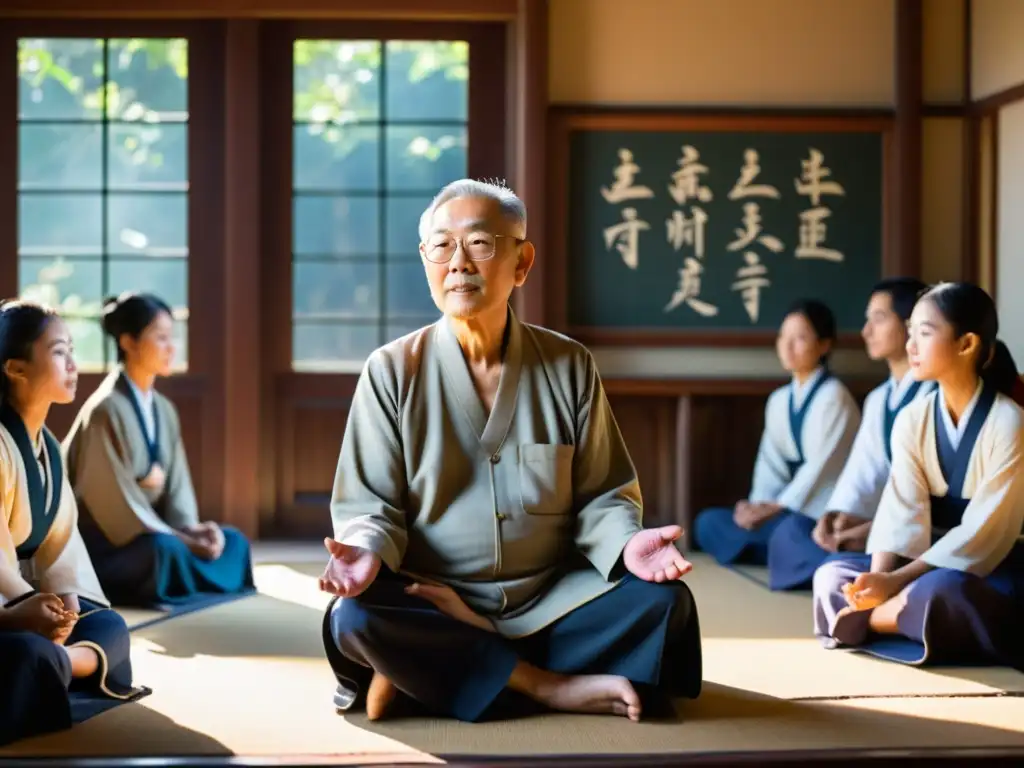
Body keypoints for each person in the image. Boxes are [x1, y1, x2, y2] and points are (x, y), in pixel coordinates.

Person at [320, 179, 702, 724]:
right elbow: (369, 507)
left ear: (521, 263)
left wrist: (627, 545)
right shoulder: (391, 371)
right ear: (425, 260)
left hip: (548, 601)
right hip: (434, 600)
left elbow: (603, 496)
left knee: (664, 606)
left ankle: (444, 672)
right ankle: (546, 686)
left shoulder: (568, 365)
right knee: (355, 617)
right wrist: (364, 550)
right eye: (441, 246)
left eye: (479, 244)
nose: (458, 263)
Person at [813, 282, 1024, 669]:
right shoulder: (915, 417)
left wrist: (894, 583)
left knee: (944, 592)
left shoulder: (1009, 422)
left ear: (966, 344)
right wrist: (874, 582)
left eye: (924, 334)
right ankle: (886, 615)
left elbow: (984, 535)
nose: (911, 346)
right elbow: (900, 511)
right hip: (923, 562)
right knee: (831, 577)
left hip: (992, 567)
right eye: (909, 333)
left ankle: (876, 622)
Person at [0, 300, 146, 745]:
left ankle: (60, 661)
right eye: (60, 351)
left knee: (109, 625)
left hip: (27, 604)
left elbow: (60, 545)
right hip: (5, 610)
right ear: (16, 367)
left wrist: (65, 609)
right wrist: (18, 611)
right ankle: (60, 662)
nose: (73, 364)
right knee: (23, 651)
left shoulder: (49, 448)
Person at [63, 293, 254, 608]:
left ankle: (184, 570)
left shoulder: (164, 409)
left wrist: (193, 528)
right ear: (128, 342)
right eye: (162, 338)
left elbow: (177, 485)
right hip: (111, 544)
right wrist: (182, 540)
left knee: (233, 542)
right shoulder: (105, 410)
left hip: (159, 530)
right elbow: (115, 509)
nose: (171, 347)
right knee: (163, 551)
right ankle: (182, 570)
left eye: (173, 338)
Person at [692, 299, 861, 590]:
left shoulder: (834, 397)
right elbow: (769, 464)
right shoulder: (779, 399)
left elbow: (821, 470)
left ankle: (789, 554)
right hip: (784, 511)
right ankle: (782, 555)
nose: (787, 346)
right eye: (783, 337)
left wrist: (773, 509)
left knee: (792, 531)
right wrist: (755, 508)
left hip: (819, 513)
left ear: (824, 345)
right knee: (708, 522)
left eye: (800, 337)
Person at [807, 279, 933, 559]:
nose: (866, 331)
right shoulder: (879, 399)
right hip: (883, 519)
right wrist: (840, 514)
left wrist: (878, 529)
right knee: (799, 539)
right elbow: (864, 470)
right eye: (867, 320)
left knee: (825, 559)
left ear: (912, 323)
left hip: (923, 525)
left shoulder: (936, 393)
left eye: (878, 319)